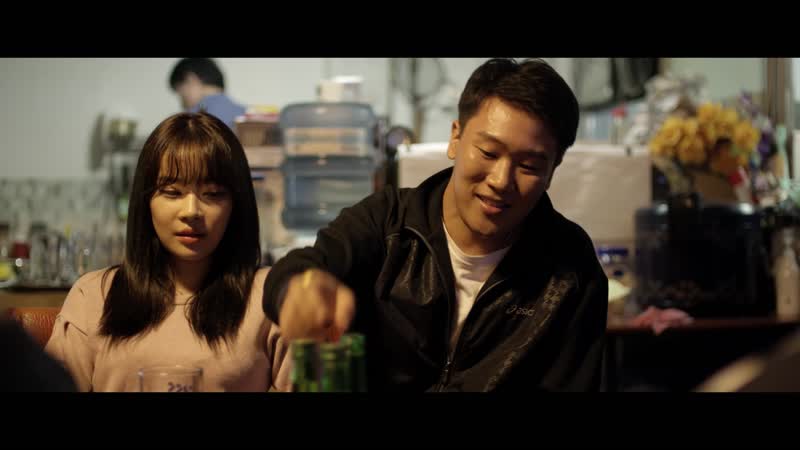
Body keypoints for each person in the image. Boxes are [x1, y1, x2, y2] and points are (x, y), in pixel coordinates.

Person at [261, 58, 608, 392]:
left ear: (553, 169)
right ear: (455, 138)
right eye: (488, 153)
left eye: (529, 166)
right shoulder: (388, 224)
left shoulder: (570, 271)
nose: (501, 180)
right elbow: (302, 267)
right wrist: (297, 290)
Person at [45, 112, 290, 392]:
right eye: (172, 192)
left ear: (236, 205)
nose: (191, 211)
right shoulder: (94, 296)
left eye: (212, 194)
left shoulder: (272, 298)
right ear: (146, 201)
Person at [168, 58, 246, 130]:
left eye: (181, 94)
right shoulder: (246, 114)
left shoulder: (191, 121)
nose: (183, 104)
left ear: (191, 79)